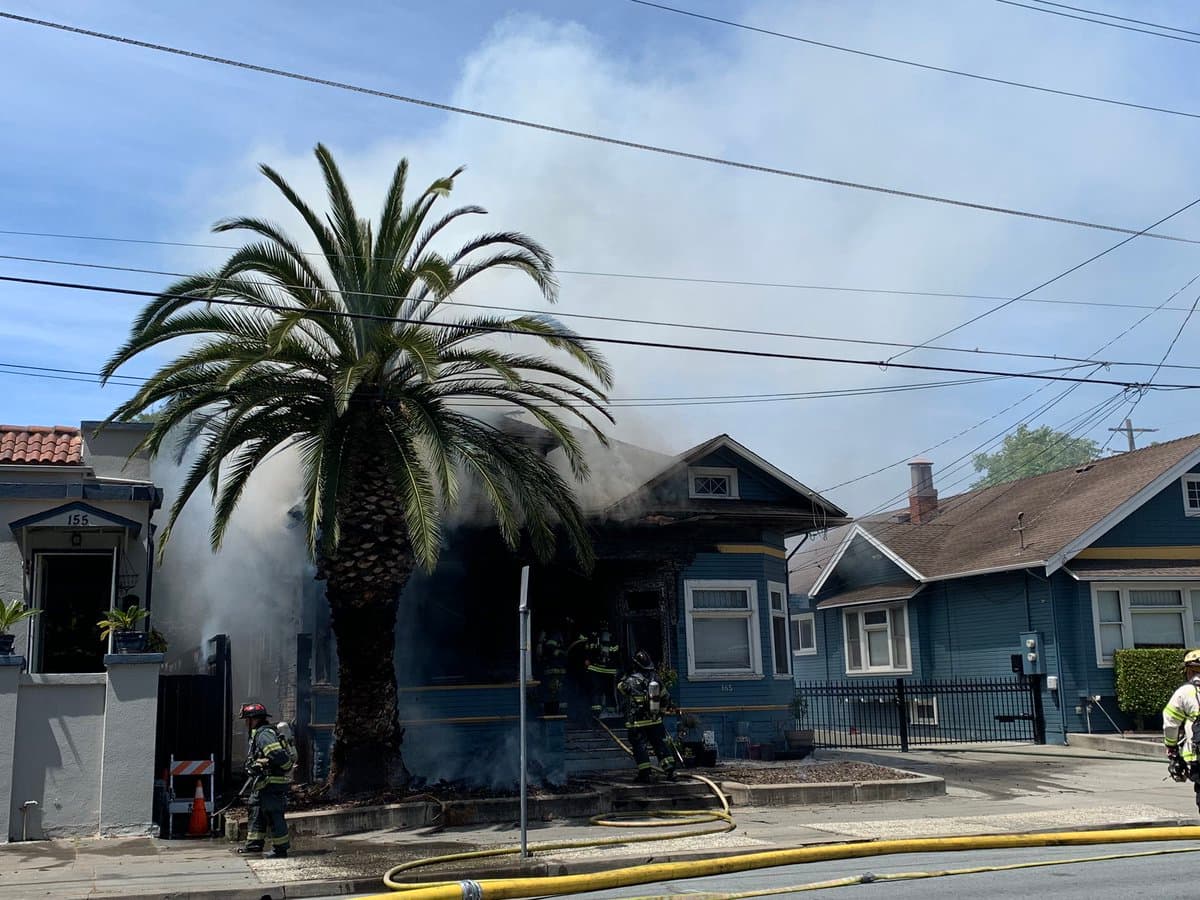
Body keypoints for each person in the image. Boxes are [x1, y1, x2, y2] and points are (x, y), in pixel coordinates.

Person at [237, 702, 294, 858]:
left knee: (273, 814)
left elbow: (277, 754)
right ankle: (254, 845)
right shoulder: (258, 734)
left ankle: (280, 849)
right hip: (262, 783)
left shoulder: (264, 734)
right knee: (256, 810)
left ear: (253, 719)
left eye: (246, 720)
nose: (245, 723)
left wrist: (285, 765)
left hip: (271, 782)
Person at [617, 649, 677, 782]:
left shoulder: (631, 681)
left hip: (637, 723)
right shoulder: (655, 679)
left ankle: (645, 775)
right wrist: (661, 712)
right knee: (660, 745)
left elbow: (621, 688)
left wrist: (625, 675)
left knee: (640, 747)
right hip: (655, 721)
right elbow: (666, 697)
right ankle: (671, 771)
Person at [584, 623, 620, 717]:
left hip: (595, 669)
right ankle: (611, 713)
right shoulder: (613, 638)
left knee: (596, 690)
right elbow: (616, 655)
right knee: (609, 692)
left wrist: (588, 660)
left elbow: (588, 651)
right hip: (609, 671)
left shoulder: (593, 637)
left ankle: (596, 714)